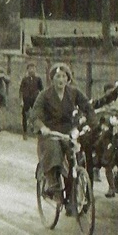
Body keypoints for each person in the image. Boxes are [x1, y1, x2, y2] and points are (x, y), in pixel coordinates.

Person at [31, 63, 96, 212]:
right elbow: (35, 114)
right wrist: (42, 127)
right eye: (58, 76)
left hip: (67, 132)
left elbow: (87, 106)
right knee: (53, 150)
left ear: (68, 79)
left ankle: (72, 199)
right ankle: (53, 186)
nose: (61, 79)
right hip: (50, 134)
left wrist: (92, 122)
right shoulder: (45, 95)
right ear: (52, 79)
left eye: (64, 76)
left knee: (75, 157)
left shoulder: (73, 93)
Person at [19, 62, 44, 139]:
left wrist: (41, 100)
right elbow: (21, 91)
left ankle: (35, 132)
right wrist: (21, 101)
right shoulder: (25, 79)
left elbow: (42, 90)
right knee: (25, 115)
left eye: (33, 68)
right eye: (30, 68)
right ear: (27, 70)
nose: (32, 70)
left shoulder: (38, 79)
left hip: (35, 100)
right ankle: (25, 132)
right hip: (26, 100)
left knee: (36, 116)